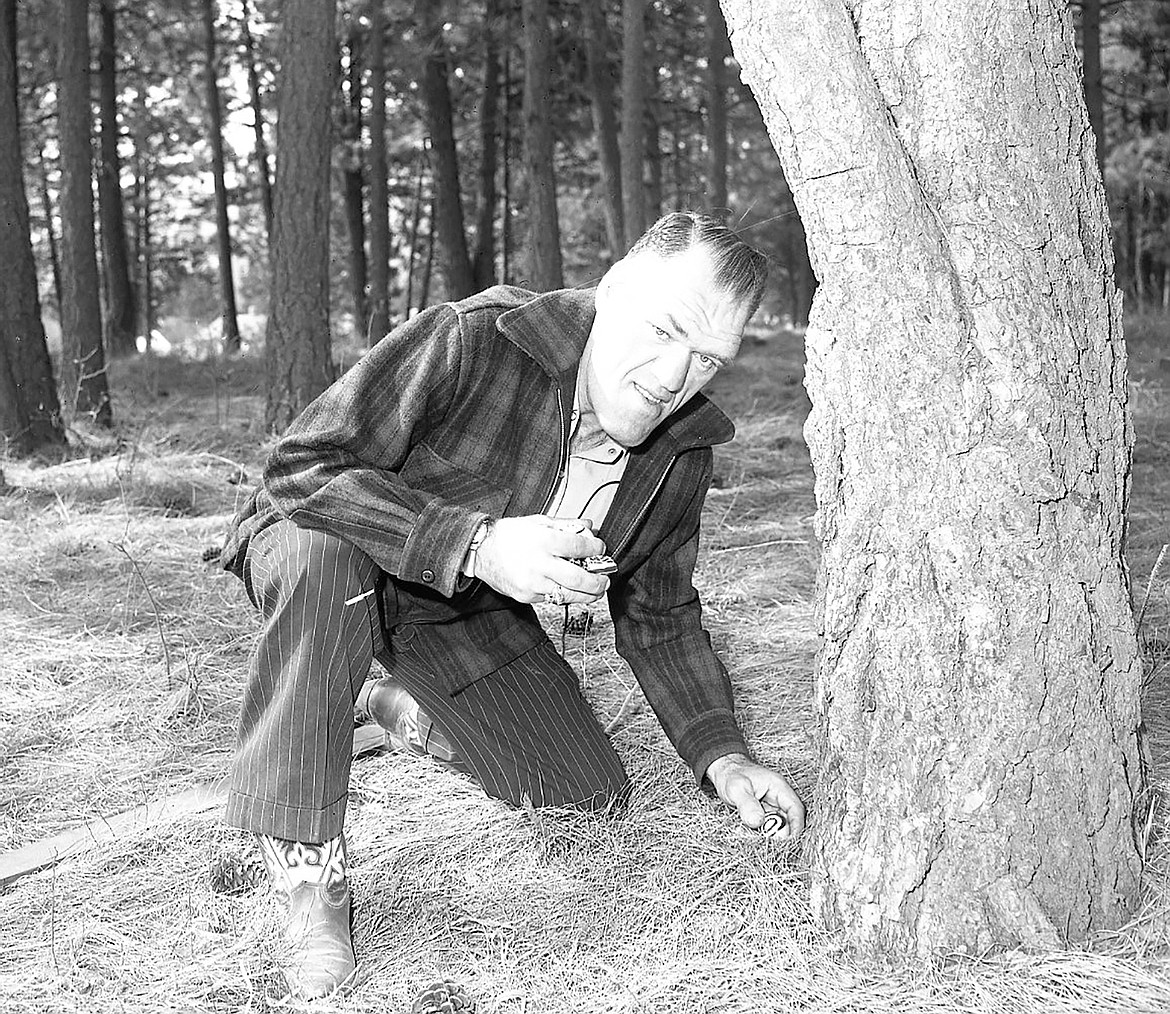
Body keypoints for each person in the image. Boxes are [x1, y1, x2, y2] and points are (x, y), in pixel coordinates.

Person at [219, 212, 807, 999]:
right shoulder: (475, 339)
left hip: (454, 608)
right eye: (665, 330)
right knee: (330, 563)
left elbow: (661, 614)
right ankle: (309, 877)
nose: (674, 376)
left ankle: (388, 699)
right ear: (613, 289)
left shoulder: (681, 453)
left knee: (584, 796)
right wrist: (479, 545)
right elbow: (301, 466)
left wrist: (722, 754)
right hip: (327, 541)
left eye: (708, 359)